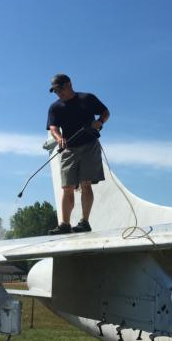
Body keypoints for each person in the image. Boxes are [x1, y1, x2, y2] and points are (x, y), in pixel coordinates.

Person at [46, 74, 110, 234]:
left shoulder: (87, 98)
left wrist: (100, 122)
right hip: (69, 148)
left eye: (60, 89)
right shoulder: (55, 107)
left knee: (85, 183)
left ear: (69, 84)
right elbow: (53, 127)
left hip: (89, 144)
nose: (58, 93)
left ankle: (84, 222)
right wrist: (59, 138)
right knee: (67, 186)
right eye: (55, 91)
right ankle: (65, 225)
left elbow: (105, 112)